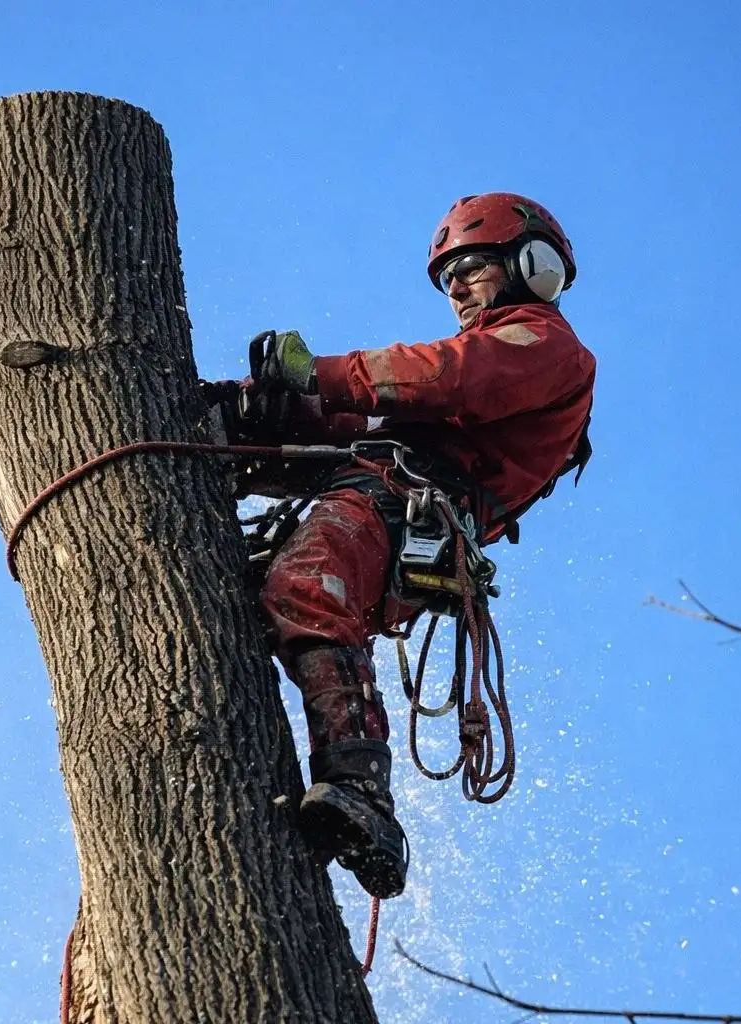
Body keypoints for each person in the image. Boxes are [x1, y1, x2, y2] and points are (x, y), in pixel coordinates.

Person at [206, 193, 596, 901]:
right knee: (259, 578)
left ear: (534, 267)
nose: (455, 287)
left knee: (306, 585)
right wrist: (256, 400)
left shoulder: (545, 344)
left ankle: (362, 794)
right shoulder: (475, 368)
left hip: (412, 500)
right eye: (447, 276)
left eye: (471, 267)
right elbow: (371, 411)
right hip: (376, 477)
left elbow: (446, 376)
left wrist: (319, 372)